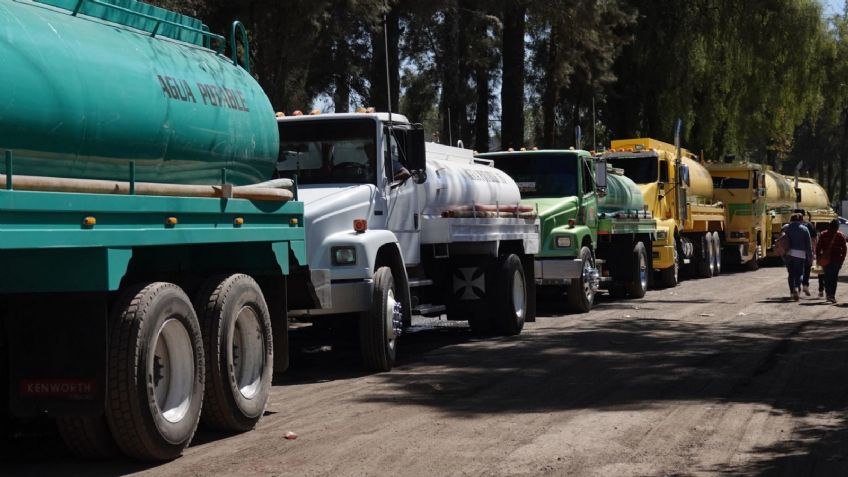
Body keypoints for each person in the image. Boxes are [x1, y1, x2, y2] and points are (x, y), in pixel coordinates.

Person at [815, 219, 847, 303]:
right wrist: (842, 260)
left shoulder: (823, 234)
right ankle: (831, 295)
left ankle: (828, 293)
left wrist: (819, 257)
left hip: (826, 259)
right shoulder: (840, 235)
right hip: (836, 259)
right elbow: (844, 249)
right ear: (837, 227)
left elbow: (818, 247)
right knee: (834, 278)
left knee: (827, 276)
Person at [784, 213, 813, 301]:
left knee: (791, 273)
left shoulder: (787, 228)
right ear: (800, 220)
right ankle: (796, 287)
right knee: (800, 273)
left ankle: (792, 292)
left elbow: (783, 240)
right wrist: (810, 256)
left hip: (788, 253)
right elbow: (808, 244)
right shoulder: (804, 229)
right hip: (800, 254)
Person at [796, 209, 818, 296]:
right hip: (807, 251)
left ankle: (797, 287)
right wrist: (814, 251)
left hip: (794, 252)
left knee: (797, 270)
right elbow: (814, 239)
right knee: (807, 268)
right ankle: (805, 284)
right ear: (804, 215)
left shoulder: (791, 225)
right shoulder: (809, 225)